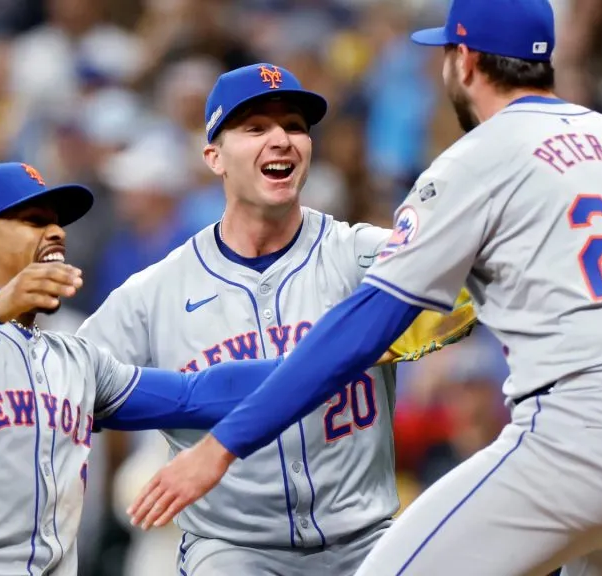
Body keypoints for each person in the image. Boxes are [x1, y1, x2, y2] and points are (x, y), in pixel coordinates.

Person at [127, 1, 602, 575]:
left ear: (465, 60)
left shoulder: (481, 155)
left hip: (587, 429)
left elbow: (363, 328)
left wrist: (221, 446)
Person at [78, 63, 474, 575]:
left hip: (365, 538)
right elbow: (71, 387)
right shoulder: (153, 294)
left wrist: (393, 333)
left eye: (294, 126)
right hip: (233, 548)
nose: (281, 140)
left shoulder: (362, 258)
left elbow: (465, 297)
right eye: (256, 128)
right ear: (213, 157)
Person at [0, 162, 284, 576]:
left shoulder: (75, 358)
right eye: (33, 220)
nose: (57, 232)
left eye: (56, 222)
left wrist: (324, 364)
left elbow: (196, 396)